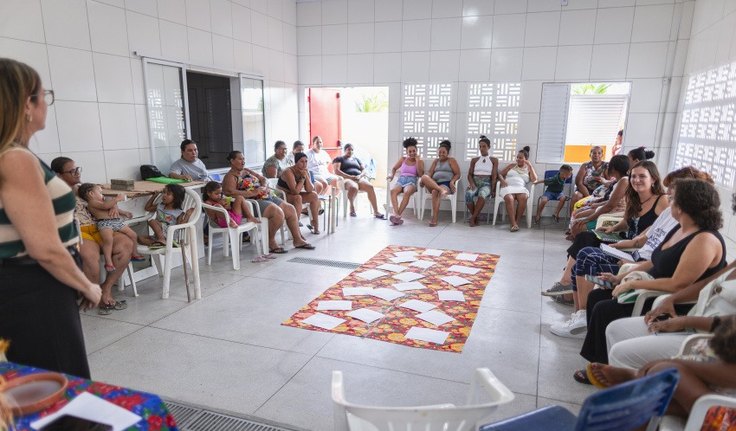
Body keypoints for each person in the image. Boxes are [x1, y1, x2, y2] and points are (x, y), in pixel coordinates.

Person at [0, 58, 100, 378]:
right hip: (34, 289)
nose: (47, 102)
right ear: (26, 105)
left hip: (25, 285)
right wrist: (87, 284)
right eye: (44, 94)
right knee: (58, 387)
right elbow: (45, 247)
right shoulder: (15, 159)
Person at [573, 179, 726, 383]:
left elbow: (678, 284)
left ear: (683, 207)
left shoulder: (704, 240)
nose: (669, 204)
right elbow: (653, 260)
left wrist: (633, 284)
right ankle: (600, 359)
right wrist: (620, 277)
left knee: (604, 308)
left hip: (669, 300)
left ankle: (607, 366)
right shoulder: (679, 229)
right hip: (652, 286)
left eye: (673, 200)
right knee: (596, 296)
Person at [549, 161, 668, 338]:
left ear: (654, 179)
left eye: (642, 176)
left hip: (634, 251)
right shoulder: (635, 197)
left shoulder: (661, 201)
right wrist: (613, 229)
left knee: (586, 253)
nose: (636, 180)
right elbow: (627, 222)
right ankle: (579, 314)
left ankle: (577, 306)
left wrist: (622, 246)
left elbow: (652, 237)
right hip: (625, 243)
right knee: (585, 239)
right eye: (634, 176)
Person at [587, 315, 736, 420]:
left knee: (667, 371)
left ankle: (639, 382)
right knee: (644, 406)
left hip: (727, 419)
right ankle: (650, 394)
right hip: (722, 402)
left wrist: (676, 363)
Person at [51, 156, 134, 314]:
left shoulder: (82, 189)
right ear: (59, 175)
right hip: (78, 231)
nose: (77, 173)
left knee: (126, 244)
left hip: (99, 226)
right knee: (90, 257)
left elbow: (101, 196)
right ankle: (94, 295)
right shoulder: (53, 193)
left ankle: (106, 289)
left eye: (77, 169)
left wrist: (113, 206)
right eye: (72, 171)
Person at [222, 151, 314, 253]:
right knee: (278, 213)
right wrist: (253, 192)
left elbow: (263, 178)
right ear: (232, 161)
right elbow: (230, 192)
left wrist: (263, 186)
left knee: (290, 209)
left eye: (243, 159)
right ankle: (270, 240)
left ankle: (297, 240)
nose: (243, 161)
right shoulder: (230, 176)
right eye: (240, 159)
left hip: (265, 195)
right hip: (252, 202)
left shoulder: (246, 171)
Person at [76, 183, 142, 271]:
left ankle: (134, 253)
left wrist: (124, 212)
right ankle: (108, 262)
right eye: (100, 193)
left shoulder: (102, 200)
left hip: (116, 222)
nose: (102, 195)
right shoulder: (92, 203)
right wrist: (117, 199)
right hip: (105, 224)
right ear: (91, 194)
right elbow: (105, 206)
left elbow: (112, 208)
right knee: (108, 240)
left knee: (133, 234)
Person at [332, 143, 385, 219]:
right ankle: (351, 207)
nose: (350, 151)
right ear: (345, 150)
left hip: (358, 178)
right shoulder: (339, 159)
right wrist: (350, 177)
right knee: (354, 187)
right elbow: (336, 171)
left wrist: (360, 176)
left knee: (370, 187)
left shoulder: (356, 159)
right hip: (345, 179)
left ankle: (376, 211)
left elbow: (364, 170)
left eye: (352, 150)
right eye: (349, 149)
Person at [278, 152, 321, 234]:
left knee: (314, 196)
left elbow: (310, 189)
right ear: (296, 162)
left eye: (306, 161)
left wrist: (306, 176)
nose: (304, 164)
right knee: (298, 198)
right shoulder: (288, 172)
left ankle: (315, 224)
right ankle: (295, 227)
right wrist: (303, 178)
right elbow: (295, 191)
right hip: (282, 195)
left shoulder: (304, 171)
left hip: (293, 195)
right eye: (301, 161)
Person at [419, 140, 460, 227]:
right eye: (440, 152)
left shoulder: (451, 160)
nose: (441, 154)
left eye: (443, 152)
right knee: (424, 177)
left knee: (435, 192)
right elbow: (430, 173)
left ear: (448, 153)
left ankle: (434, 218)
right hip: (434, 183)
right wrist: (424, 181)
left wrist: (452, 182)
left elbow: (457, 174)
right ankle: (440, 190)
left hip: (446, 184)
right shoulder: (435, 161)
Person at [498, 146, 538, 232]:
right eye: (517, 157)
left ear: (526, 159)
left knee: (524, 197)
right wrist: (502, 181)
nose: (518, 159)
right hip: (508, 187)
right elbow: (500, 174)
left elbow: (534, 180)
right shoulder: (511, 166)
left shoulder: (528, 168)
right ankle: (513, 224)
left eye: (520, 158)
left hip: (521, 188)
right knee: (509, 198)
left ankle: (517, 222)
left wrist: (530, 166)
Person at [387, 137, 424, 226]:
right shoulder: (403, 159)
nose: (412, 153)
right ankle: (397, 215)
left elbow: (420, 174)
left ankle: (397, 216)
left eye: (414, 151)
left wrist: (418, 161)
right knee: (393, 191)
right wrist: (392, 175)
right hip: (401, 179)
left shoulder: (420, 161)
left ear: (416, 150)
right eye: (410, 151)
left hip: (412, 180)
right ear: (407, 152)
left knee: (407, 192)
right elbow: (394, 168)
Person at [465, 136, 498, 227]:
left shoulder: (494, 160)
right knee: (468, 194)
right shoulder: (474, 160)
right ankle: (476, 217)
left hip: (486, 184)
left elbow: (494, 176)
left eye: (484, 146)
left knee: (482, 194)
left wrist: (493, 189)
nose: (481, 148)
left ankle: (473, 218)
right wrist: (472, 184)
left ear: (489, 147)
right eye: (480, 146)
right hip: (475, 183)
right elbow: (469, 175)